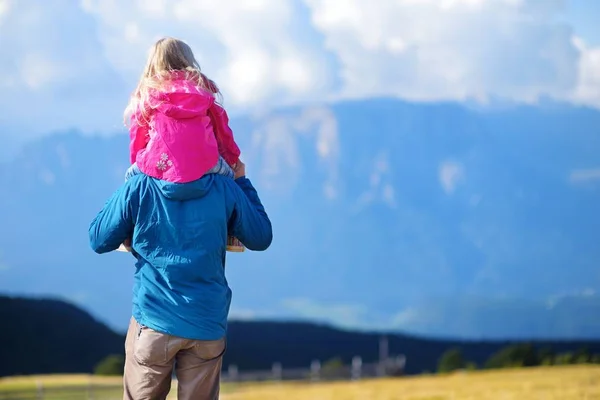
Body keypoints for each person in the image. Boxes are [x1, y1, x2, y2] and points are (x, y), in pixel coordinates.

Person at [88, 159, 272, 400]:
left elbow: (98, 238)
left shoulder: (140, 185)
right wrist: (241, 181)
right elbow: (261, 237)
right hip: (206, 322)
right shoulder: (224, 187)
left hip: (153, 320)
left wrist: (129, 185)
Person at [122, 36, 244, 251]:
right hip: (205, 163)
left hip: (158, 162)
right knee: (231, 183)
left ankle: (129, 232)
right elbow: (223, 133)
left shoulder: (147, 98)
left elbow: (137, 140)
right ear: (189, 60)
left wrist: (139, 166)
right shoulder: (204, 93)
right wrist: (232, 162)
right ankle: (231, 234)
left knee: (130, 178)